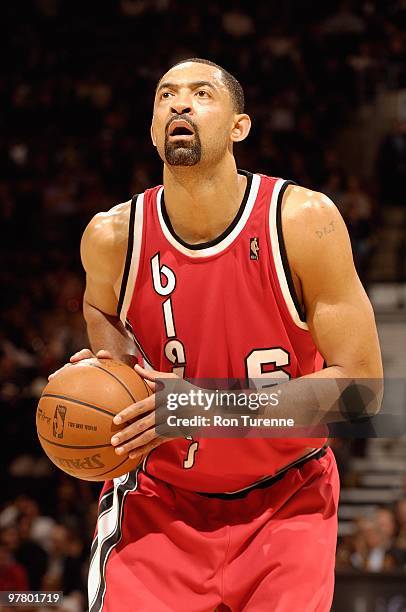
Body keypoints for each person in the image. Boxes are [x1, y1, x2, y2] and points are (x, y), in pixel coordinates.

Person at [54, 58, 383, 611]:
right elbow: (102, 318)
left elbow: (362, 393)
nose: (179, 103)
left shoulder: (302, 221)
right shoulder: (111, 238)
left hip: (287, 499)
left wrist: (204, 410)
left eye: (201, 93)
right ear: (153, 128)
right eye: (165, 96)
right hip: (159, 504)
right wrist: (103, 378)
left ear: (239, 126)